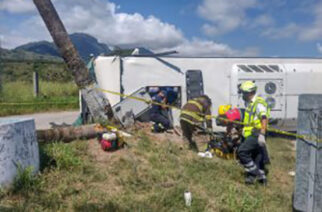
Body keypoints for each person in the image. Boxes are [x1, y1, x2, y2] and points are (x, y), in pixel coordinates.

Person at [237, 81, 270, 185]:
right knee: (256, 155)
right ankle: (259, 179)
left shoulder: (258, 103)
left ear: (249, 93)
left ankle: (256, 173)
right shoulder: (250, 102)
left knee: (242, 151)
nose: (242, 95)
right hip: (250, 132)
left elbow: (264, 118)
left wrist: (262, 134)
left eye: (243, 93)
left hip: (257, 133)